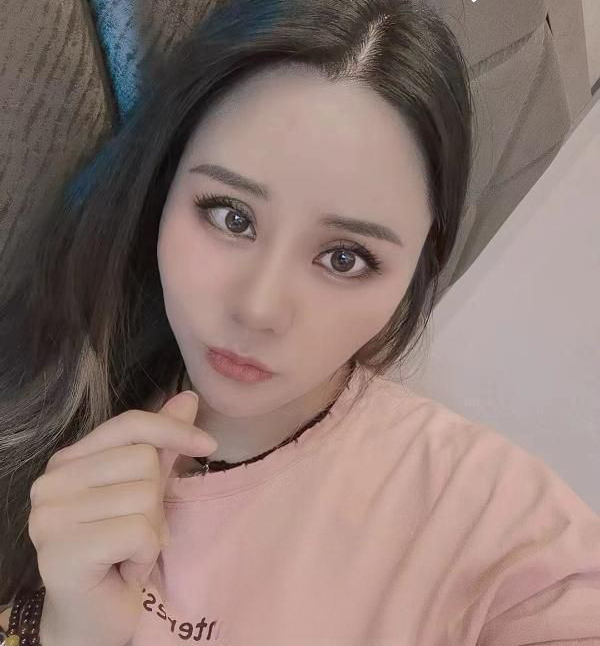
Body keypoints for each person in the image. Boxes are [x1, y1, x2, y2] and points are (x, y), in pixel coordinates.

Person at [1, 0, 599, 644]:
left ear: (415, 270)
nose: (258, 308)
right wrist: (68, 626)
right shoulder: (58, 389)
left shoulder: (492, 528)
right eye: (231, 216)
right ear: (165, 185)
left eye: (344, 258)